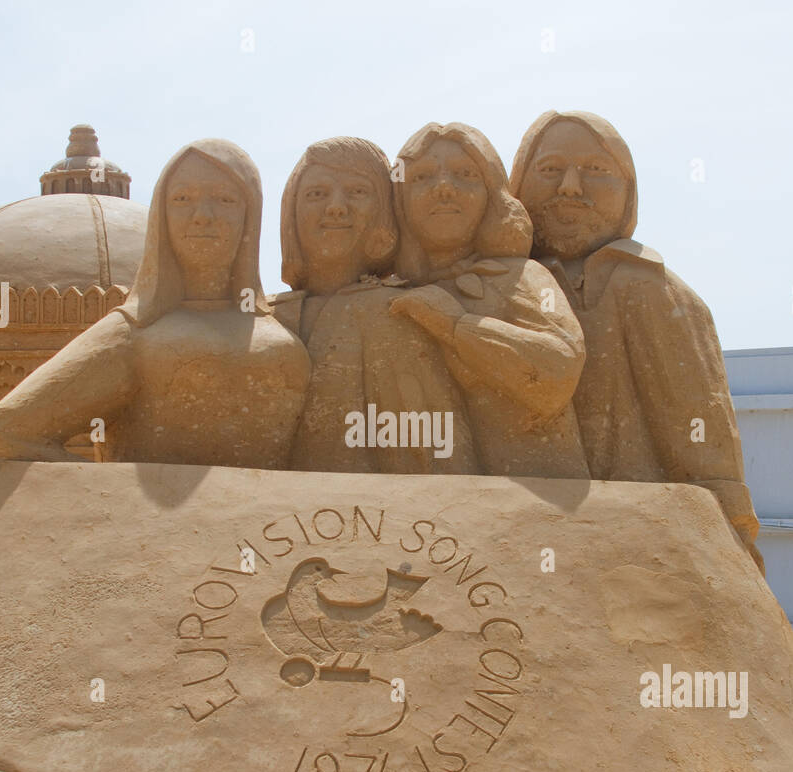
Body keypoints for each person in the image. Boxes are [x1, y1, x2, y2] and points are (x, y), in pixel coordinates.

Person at [509, 109, 764, 571]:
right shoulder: (493, 284)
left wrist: (731, 536)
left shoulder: (651, 290)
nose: (570, 186)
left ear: (627, 193)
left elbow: (704, 447)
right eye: (549, 170)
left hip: (632, 550)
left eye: (595, 171)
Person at [0, 139, 310, 469]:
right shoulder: (135, 334)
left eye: (225, 200)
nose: (203, 216)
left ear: (250, 215)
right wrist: (120, 503)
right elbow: (6, 432)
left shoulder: (287, 324)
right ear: (162, 216)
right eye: (182, 199)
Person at [387, 122, 589, 479]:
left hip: (541, 505)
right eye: (422, 178)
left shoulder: (523, 277)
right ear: (399, 201)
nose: (445, 189)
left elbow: (560, 368)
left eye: (466, 174)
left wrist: (456, 326)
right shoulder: (386, 293)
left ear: (491, 194)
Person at [273, 137, 476, 474]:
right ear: (291, 212)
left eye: (357, 192)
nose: (336, 207)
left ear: (383, 211)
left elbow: (438, 464)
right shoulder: (262, 317)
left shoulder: (398, 312)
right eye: (316, 194)